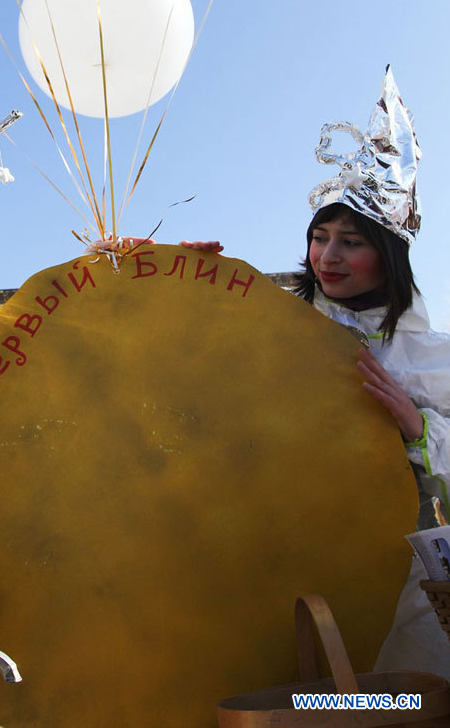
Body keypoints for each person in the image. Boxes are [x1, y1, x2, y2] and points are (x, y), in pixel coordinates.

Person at [185, 67, 450, 678]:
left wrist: (418, 429)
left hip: (410, 595)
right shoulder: (281, 331)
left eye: (350, 241)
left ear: (387, 256)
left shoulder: (432, 359)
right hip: (288, 570)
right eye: (319, 237)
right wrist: (186, 287)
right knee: (308, 703)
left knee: (397, 706)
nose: (327, 258)